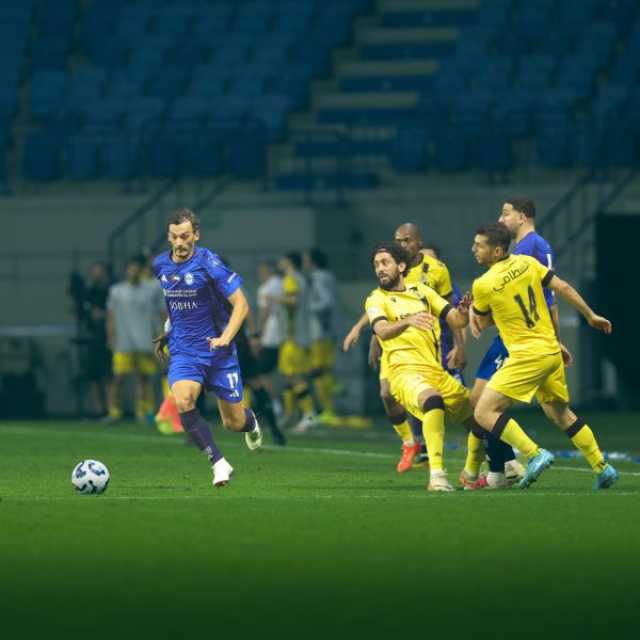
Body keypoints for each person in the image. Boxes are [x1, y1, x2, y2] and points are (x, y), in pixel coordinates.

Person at [469, 223, 618, 490]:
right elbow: (563, 288)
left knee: (483, 410)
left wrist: (470, 312)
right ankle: (602, 467)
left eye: (480, 245)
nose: (474, 249)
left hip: (527, 356)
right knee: (561, 413)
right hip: (551, 349)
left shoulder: (483, 284)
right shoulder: (527, 263)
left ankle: (534, 453)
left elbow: (479, 324)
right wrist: (590, 315)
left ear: (498, 250)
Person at [365, 242, 488, 491]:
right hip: (403, 372)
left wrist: (465, 311)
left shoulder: (422, 291)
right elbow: (382, 330)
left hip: (434, 370)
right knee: (432, 401)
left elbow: (455, 320)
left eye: (385, 262)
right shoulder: (376, 299)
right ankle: (437, 476)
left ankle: (483, 468)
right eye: (376, 264)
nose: (380, 268)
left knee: (481, 415)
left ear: (401, 266)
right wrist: (408, 321)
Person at [153, 208, 262, 488]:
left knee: (233, 423)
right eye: (175, 237)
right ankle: (219, 463)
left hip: (218, 351)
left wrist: (226, 337)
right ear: (168, 237)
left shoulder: (209, 263)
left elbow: (242, 304)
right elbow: (174, 305)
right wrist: (168, 331)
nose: (180, 242)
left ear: (196, 235)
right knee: (183, 400)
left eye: (186, 236)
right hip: (184, 351)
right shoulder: (160, 266)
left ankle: (250, 421)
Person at [344, 223, 463, 473]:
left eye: (407, 240)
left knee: (457, 405)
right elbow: (384, 307)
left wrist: (460, 345)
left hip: (427, 344)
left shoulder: (435, 270)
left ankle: (487, 455)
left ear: (419, 242)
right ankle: (410, 443)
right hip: (396, 345)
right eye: (398, 240)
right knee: (388, 394)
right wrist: (365, 332)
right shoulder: (390, 270)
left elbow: (450, 310)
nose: (402, 245)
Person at [468, 196, 568, 489]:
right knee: (555, 411)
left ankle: (506, 464)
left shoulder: (524, 250)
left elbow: (545, 300)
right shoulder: (538, 247)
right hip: (536, 339)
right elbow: (552, 296)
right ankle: (497, 471)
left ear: (522, 217)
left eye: (506, 213)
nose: (501, 219)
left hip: (519, 342)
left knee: (483, 407)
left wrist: (476, 312)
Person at [105, 255, 165, 423]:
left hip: (145, 341)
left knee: (145, 378)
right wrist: (111, 336)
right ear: (126, 270)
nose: (134, 271)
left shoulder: (151, 290)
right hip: (123, 341)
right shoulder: (116, 291)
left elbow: (160, 313)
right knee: (118, 377)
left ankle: (144, 413)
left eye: (137, 268)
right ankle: (114, 412)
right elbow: (111, 316)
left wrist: (161, 333)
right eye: (131, 268)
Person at [276, 251, 314, 430]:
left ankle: (309, 414)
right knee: (288, 376)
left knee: (296, 376)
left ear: (288, 261)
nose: (280, 262)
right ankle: (290, 414)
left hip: (294, 336)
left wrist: (272, 298)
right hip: (293, 335)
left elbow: (293, 301)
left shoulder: (291, 278)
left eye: (282, 259)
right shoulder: (300, 278)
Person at [304, 248, 338, 424]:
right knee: (324, 371)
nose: (305, 263)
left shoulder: (317, 277)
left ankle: (326, 410)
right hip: (326, 331)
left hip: (320, 331)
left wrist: (310, 308)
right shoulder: (328, 276)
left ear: (313, 262)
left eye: (307, 260)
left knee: (318, 371)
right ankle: (327, 409)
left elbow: (326, 301)